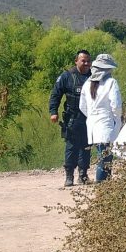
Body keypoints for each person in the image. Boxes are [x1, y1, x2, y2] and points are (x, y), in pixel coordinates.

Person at [49, 50, 92, 186]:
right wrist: (53, 112)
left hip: (89, 119)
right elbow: (56, 94)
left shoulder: (94, 77)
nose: (86, 63)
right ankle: (69, 176)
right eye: (83, 61)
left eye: (87, 61)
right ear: (76, 61)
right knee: (71, 147)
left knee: (86, 147)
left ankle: (83, 175)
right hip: (72, 118)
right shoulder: (67, 76)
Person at [79, 53, 122, 183]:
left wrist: (92, 116)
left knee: (103, 156)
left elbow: (82, 106)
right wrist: (117, 119)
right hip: (106, 123)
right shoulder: (111, 82)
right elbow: (116, 105)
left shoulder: (87, 83)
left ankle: (105, 187)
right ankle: (102, 187)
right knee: (105, 158)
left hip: (92, 125)